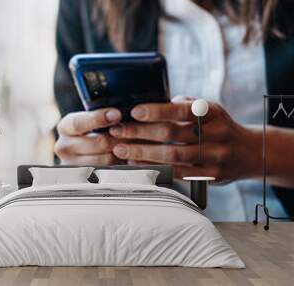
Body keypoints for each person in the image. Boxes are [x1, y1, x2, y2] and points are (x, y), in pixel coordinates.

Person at [53, 0, 294, 220]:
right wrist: (81, 162)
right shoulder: (86, 7)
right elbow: (69, 141)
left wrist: (256, 153)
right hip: (154, 242)